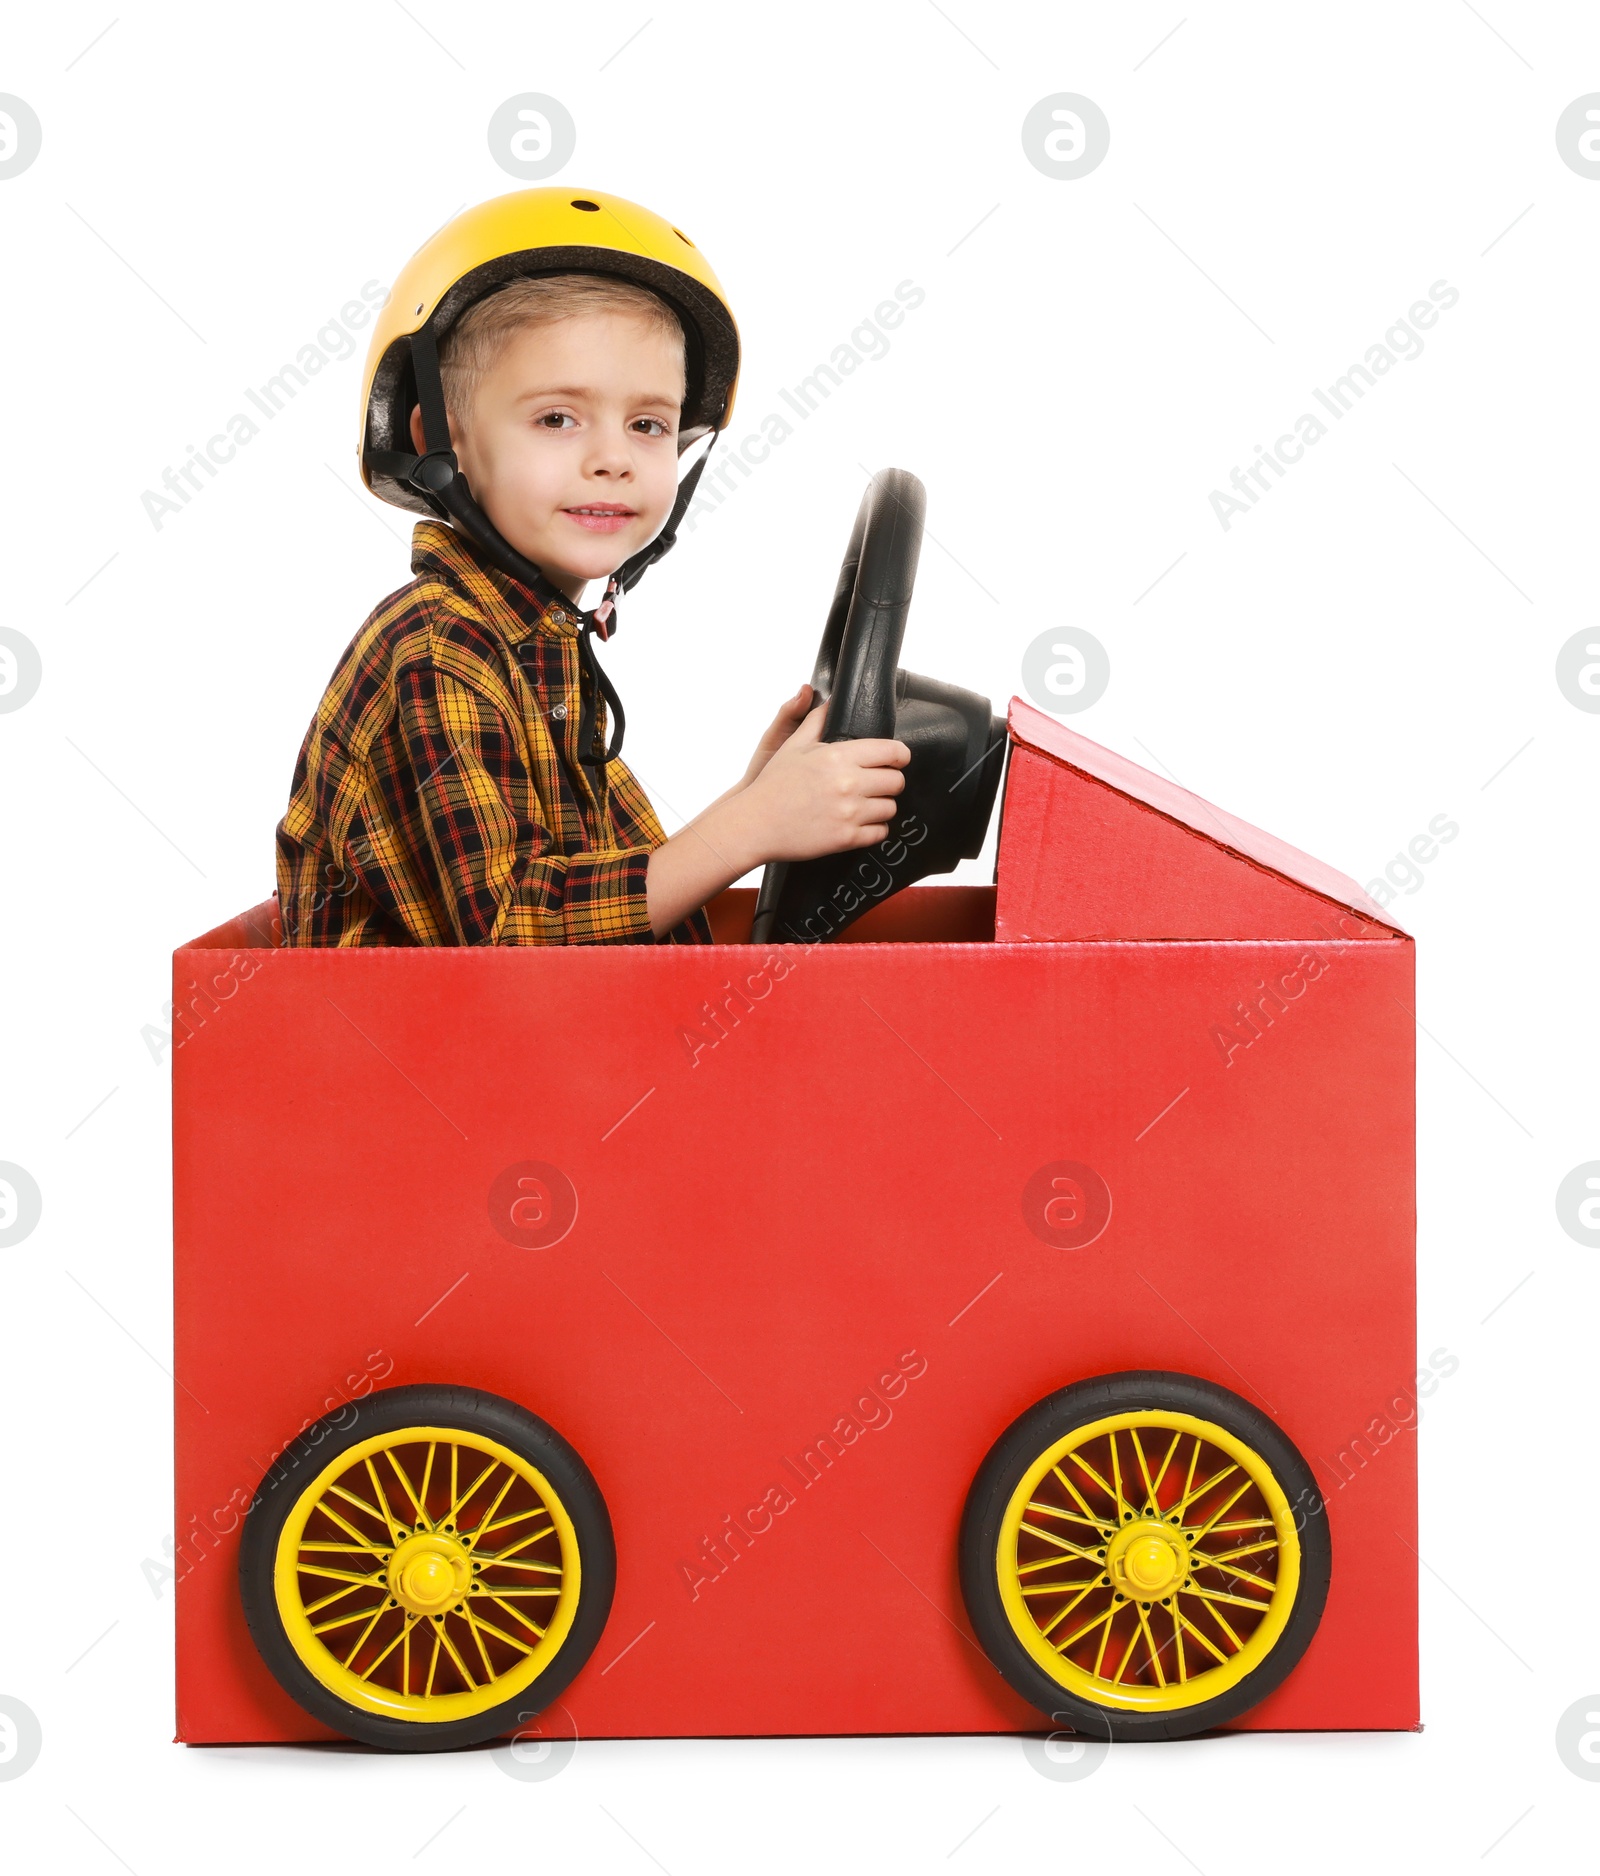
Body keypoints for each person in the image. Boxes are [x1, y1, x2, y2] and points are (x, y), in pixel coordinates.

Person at [275, 188, 909, 945]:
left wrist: (757, 801)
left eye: (648, 425)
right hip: (411, 1061)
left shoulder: (543, 650)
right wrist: (746, 829)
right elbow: (514, 936)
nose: (612, 459)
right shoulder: (440, 649)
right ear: (443, 441)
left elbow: (607, 896)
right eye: (557, 418)